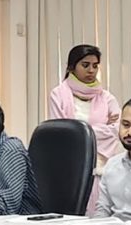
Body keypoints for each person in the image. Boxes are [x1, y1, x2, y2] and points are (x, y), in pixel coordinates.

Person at [48, 44, 121, 213]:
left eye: (95, 66)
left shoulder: (107, 97)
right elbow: (61, 133)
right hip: (70, 164)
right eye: (85, 65)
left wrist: (81, 131)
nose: (91, 70)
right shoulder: (58, 95)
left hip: (102, 165)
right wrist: (102, 127)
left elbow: (118, 130)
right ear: (71, 67)